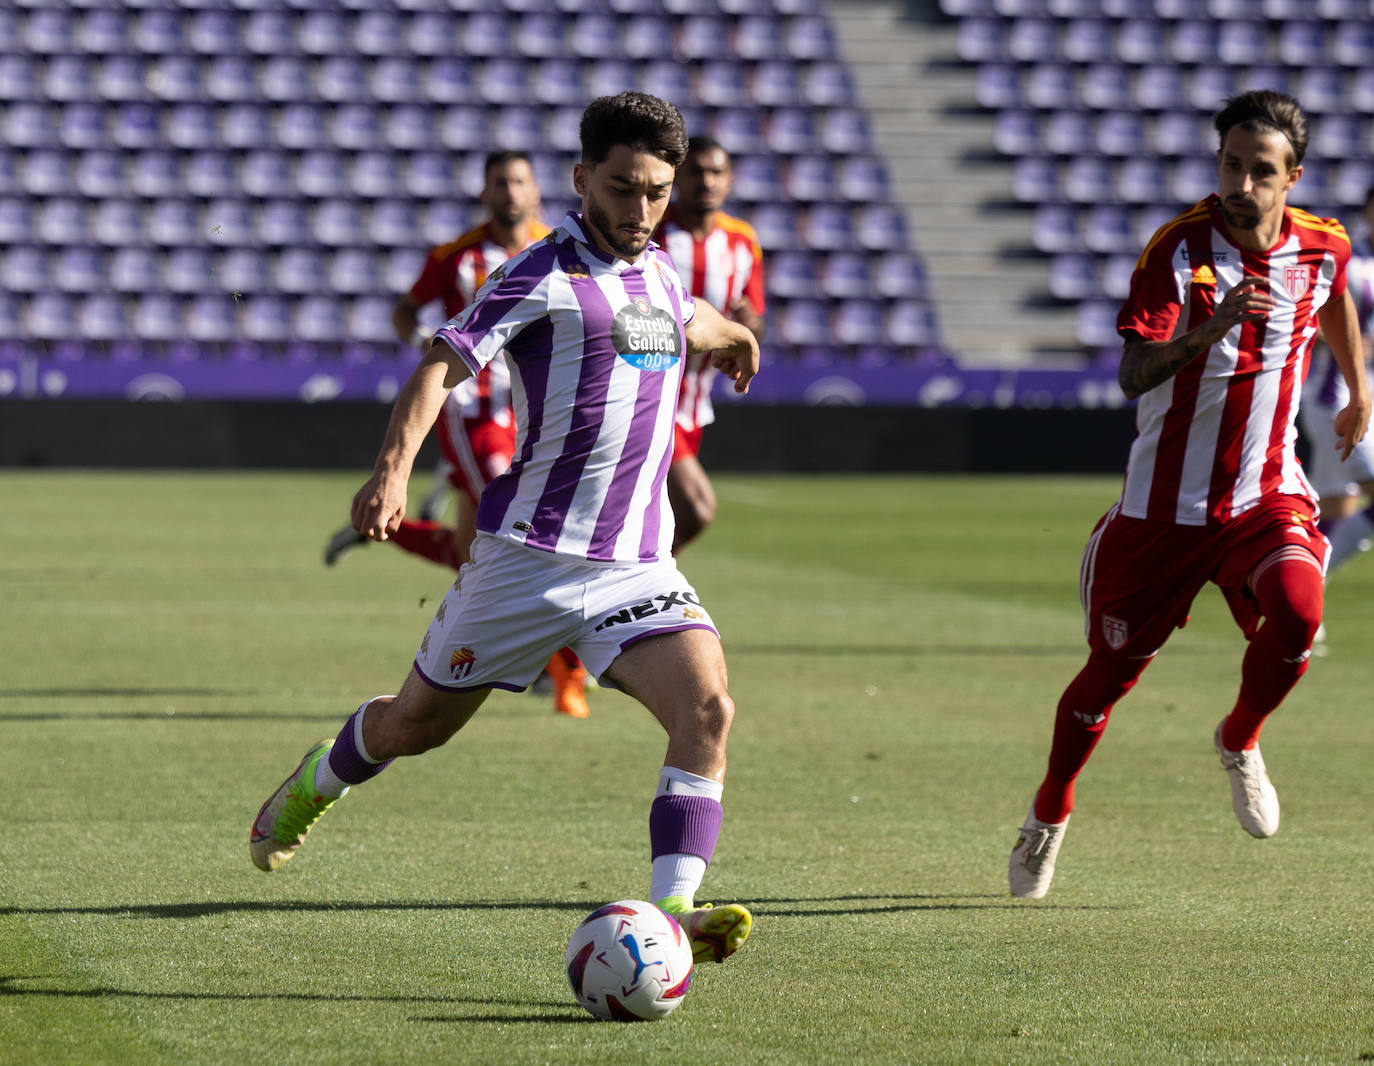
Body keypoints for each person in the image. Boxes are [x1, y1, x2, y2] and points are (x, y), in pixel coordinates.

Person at [252, 92, 761, 965]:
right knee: (416, 725)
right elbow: (437, 369)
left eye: (656, 192)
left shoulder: (660, 270)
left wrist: (734, 333)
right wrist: (392, 471)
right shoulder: (537, 274)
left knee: (708, 707)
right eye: (623, 187)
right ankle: (315, 783)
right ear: (581, 179)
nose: (641, 210)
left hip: (635, 565)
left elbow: (685, 319)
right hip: (525, 562)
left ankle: (674, 911)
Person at [1008, 90, 1371, 900]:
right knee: (1107, 678)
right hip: (1161, 512)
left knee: (1302, 613)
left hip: (1265, 492)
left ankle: (1240, 738)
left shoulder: (1323, 244)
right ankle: (1049, 814)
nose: (1243, 183)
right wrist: (1212, 328)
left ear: (1293, 177)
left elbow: (1336, 294)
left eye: (1262, 171)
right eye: (1232, 165)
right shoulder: (1177, 251)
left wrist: (1356, 386)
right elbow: (1133, 373)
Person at [323, 152, 590, 717]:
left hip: (532, 411)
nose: (510, 192)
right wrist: (426, 339)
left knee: (469, 548)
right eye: (500, 182)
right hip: (471, 411)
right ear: (485, 192)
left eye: (519, 181)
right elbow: (405, 311)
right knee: (519, 526)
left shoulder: (559, 252)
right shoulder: (455, 257)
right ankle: (564, 672)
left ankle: (382, 530)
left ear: (537, 190)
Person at [651, 136, 766, 553]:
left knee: (658, 516)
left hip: (695, 405)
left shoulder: (742, 242)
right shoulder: (653, 232)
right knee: (697, 509)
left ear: (730, 180)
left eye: (716, 171)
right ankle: (638, 583)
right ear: (679, 177)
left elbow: (756, 322)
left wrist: (751, 325)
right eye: (697, 171)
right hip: (650, 394)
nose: (707, 180)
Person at [1297, 186, 1374, 587]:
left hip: (1366, 403)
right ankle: (1304, 587)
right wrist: (1345, 340)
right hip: (1335, 400)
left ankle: (1294, 598)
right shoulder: (1347, 262)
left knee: (1337, 508)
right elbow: (1306, 318)